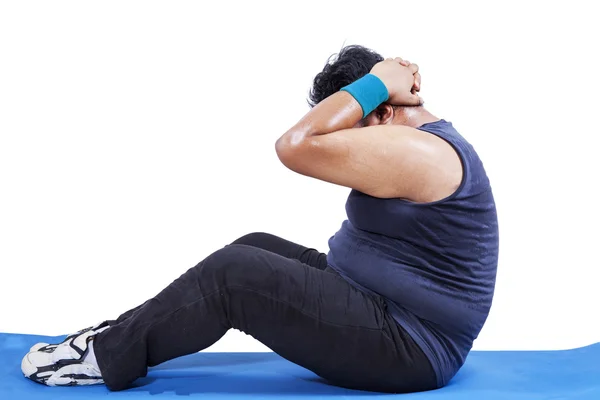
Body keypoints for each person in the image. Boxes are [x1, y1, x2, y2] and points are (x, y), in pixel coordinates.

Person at [21, 45, 499, 394]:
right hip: (376, 301)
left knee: (235, 273)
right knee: (255, 243)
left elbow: (293, 146)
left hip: (411, 347)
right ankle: (117, 334)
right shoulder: (416, 139)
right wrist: (379, 83)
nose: (343, 144)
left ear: (384, 111)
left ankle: (105, 360)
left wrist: (377, 80)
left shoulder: (419, 152)